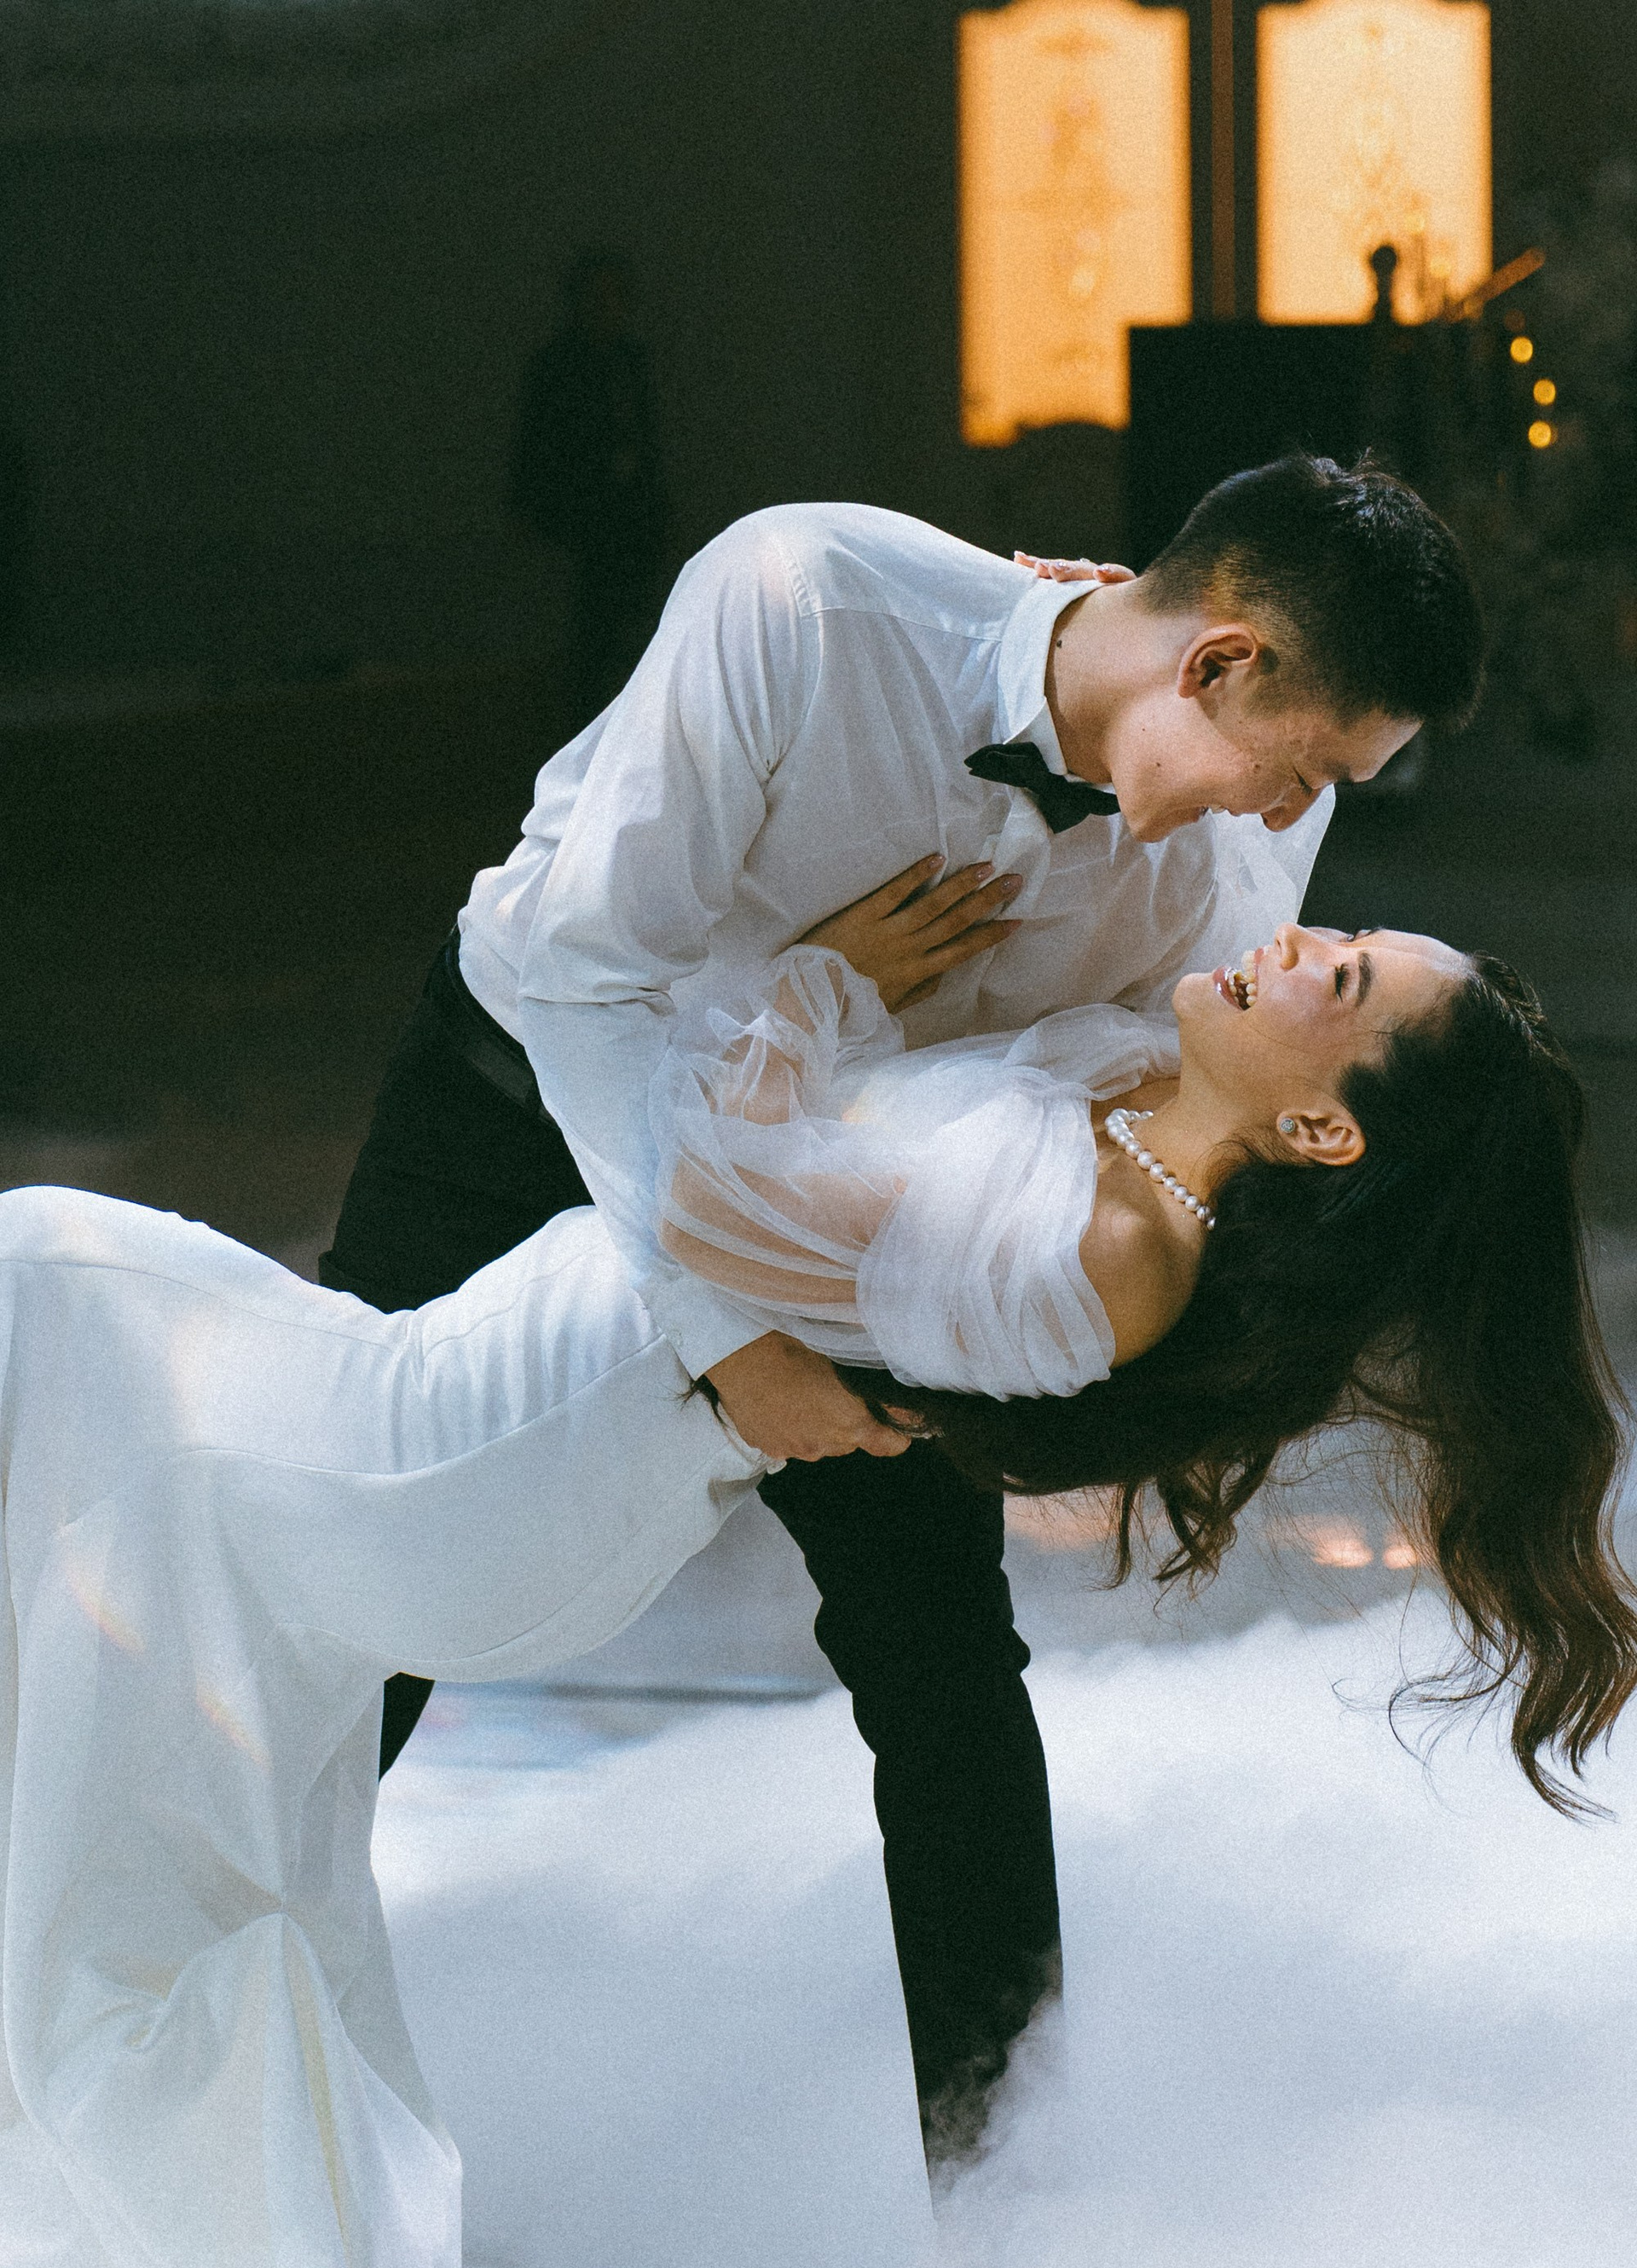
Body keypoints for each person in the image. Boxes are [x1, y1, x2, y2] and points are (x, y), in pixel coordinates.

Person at [0, 889, 1629, 2268]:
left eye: (1340, 976)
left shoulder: (1113, 1251)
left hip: (483, 1460)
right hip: (489, 1398)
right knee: (66, 1338)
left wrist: (818, 979)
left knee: (53, 1285)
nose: (1296, 938)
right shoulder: (1126, 1136)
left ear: (1324, 1129)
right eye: (1343, 935)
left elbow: (714, 1207)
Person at [321, 453, 1487, 2151]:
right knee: (364, 1563)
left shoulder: (1253, 807)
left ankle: (1006, 2217)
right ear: (1221, 661)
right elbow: (587, 982)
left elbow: (1151, 1063)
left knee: (940, 1668)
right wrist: (728, 1341)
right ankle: (144, 2017)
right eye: (1296, 768)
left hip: (862, 1204)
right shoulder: (802, 602)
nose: (1286, 818)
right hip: (532, 1093)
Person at [511, 249, 671, 728]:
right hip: (579, 523)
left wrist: (654, 509)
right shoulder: (558, 366)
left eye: (615, 297)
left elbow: (645, 442)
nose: (607, 307)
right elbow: (538, 447)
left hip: (630, 521)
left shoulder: (630, 361)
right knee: (587, 643)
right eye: (598, 296)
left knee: (630, 636)